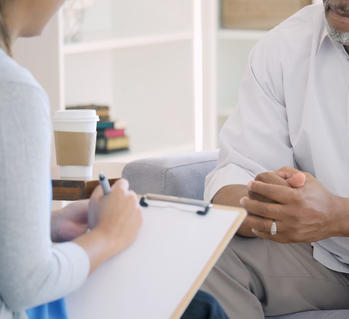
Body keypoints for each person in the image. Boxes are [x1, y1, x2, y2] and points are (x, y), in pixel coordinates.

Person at [0, 1, 227, 319]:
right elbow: (28, 283)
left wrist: (45, 227)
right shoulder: (13, 92)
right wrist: (108, 236)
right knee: (201, 310)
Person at [201, 0, 349, 318]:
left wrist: (341, 216)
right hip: (320, 260)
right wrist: (270, 206)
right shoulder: (284, 46)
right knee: (202, 257)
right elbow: (238, 171)